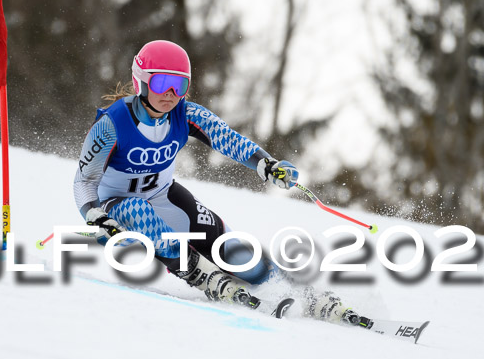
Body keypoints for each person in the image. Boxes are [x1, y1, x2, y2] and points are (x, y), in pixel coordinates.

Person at [73, 40, 361, 324]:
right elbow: (84, 180)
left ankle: (299, 290)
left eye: (180, 85)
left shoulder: (184, 114)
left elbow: (226, 138)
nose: (171, 94)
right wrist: (95, 216)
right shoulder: (111, 125)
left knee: (236, 253)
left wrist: (266, 164)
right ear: (142, 82)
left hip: (164, 196)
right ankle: (202, 275)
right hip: (116, 206)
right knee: (139, 211)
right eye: (162, 83)